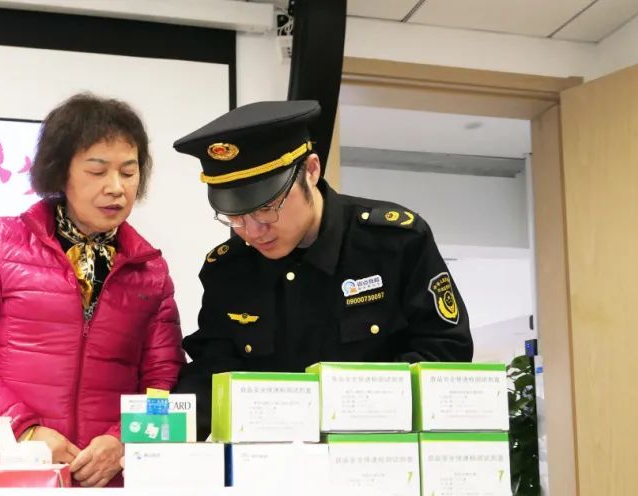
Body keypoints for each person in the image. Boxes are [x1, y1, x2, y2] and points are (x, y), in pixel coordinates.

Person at [173, 100, 473, 439]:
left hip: (376, 456)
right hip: (269, 463)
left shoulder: (394, 243)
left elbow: (446, 353)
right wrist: (163, 433)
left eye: (267, 208)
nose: (254, 231)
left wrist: (344, 405)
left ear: (311, 171)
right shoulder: (229, 270)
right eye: (235, 217)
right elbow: (212, 373)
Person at [0, 93, 184, 486]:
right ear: (60, 171)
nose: (116, 188)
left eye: (128, 172)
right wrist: (23, 432)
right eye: (97, 171)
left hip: (106, 481)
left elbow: (164, 380)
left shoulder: (149, 269)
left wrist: (125, 441)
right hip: (7, 472)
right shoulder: (3, 242)